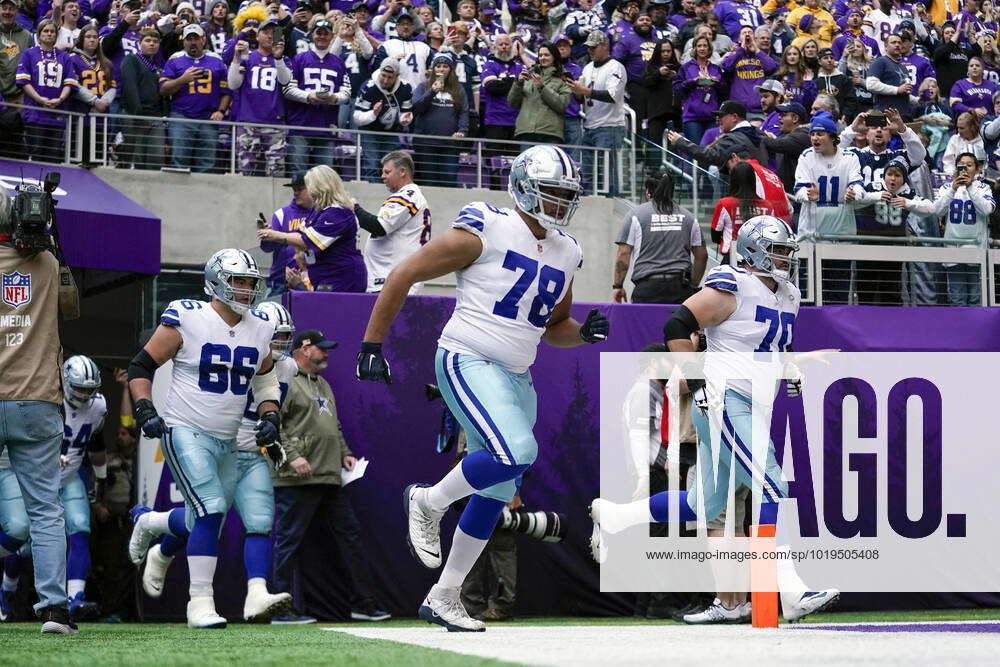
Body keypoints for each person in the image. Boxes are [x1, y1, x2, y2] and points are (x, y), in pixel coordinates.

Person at [357, 144, 609, 632]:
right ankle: (427, 500)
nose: (560, 203)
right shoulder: (487, 224)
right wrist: (371, 344)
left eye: (566, 194)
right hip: (468, 356)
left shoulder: (567, 249)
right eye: (551, 192)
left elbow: (555, 326)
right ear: (523, 187)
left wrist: (584, 332)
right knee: (517, 451)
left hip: (517, 375)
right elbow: (404, 271)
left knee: (496, 490)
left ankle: (445, 595)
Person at [591, 215, 839, 624]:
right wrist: (697, 380)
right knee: (772, 483)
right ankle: (791, 589)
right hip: (725, 399)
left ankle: (616, 517)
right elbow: (677, 323)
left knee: (701, 503)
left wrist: (793, 364)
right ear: (754, 250)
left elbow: (762, 351)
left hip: (754, 402)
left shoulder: (788, 294)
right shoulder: (732, 284)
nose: (784, 258)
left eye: (785, 250)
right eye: (777, 249)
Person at [125, 248, 283, 629]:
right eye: (238, 282)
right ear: (216, 282)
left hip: (227, 440)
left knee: (204, 517)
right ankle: (199, 603)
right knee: (211, 508)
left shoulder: (261, 325)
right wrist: (144, 408)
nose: (246, 290)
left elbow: (264, 377)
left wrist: (270, 414)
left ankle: (151, 525)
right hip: (185, 430)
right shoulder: (188, 316)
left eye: (250, 282)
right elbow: (141, 365)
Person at [272, 327, 391, 624]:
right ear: (304, 348)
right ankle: (280, 608)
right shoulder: (284, 380)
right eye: (322, 348)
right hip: (296, 477)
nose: (327, 353)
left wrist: (345, 453)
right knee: (289, 543)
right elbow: (274, 424)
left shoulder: (323, 384)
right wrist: (294, 456)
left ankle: (363, 604)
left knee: (350, 539)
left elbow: (333, 427)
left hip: (330, 476)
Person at [0, 190, 77, 634]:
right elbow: (71, 308)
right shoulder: (48, 264)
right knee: (46, 510)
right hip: (38, 401)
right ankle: (54, 610)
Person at [56, 355, 109, 622]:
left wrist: (100, 478)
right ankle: (7, 587)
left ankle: (74, 597)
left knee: (80, 529)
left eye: (90, 389)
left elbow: (97, 444)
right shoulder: (49, 400)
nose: (85, 394)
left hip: (72, 475)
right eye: (80, 388)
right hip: (39, 478)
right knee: (24, 540)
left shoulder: (97, 406)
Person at [257, 164, 366, 292]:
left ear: (321, 187)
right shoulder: (319, 211)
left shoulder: (338, 212)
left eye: (308, 187)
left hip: (342, 278)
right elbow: (300, 235)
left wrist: (276, 235)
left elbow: (307, 241)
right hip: (324, 277)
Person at [794, 113, 864, 303]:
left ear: (833, 136)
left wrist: (854, 194)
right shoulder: (806, 157)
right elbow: (799, 191)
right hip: (810, 238)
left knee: (838, 296)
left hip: (841, 237)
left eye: (820, 134)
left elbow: (858, 186)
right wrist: (808, 195)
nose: (815, 138)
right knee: (810, 295)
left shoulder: (850, 157)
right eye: (813, 134)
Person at [613, 172, 706, 304]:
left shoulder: (635, 215)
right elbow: (702, 256)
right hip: (680, 288)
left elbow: (623, 253)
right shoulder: (689, 217)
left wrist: (618, 286)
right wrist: (694, 285)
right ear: (671, 191)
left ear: (648, 192)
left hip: (647, 289)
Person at [853, 157, 936, 304]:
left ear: (904, 179)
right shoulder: (874, 187)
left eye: (897, 175)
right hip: (868, 247)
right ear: (884, 175)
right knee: (865, 290)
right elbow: (854, 201)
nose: (892, 179)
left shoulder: (908, 193)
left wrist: (908, 203)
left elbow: (930, 208)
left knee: (891, 291)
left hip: (894, 250)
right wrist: (874, 197)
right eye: (889, 174)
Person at [354, 150, 430, 294]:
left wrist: (354, 208)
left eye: (387, 172)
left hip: (391, 282)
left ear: (402, 172)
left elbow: (379, 227)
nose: (382, 176)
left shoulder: (407, 194)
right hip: (393, 281)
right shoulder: (412, 195)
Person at [283, 19, 351, 174]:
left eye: (325, 34)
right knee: (298, 173)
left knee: (325, 176)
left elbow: (347, 93)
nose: (322, 37)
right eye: (318, 33)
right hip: (300, 124)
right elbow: (287, 89)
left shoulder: (339, 62)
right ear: (312, 35)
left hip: (326, 126)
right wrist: (309, 96)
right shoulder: (299, 59)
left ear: (331, 36)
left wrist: (334, 98)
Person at [159, 24, 230, 173]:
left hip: (208, 118)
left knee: (207, 163)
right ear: (183, 41)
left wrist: (221, 111)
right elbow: (163, 90)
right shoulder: (174, 60)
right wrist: (183, 79)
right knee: (179, 160)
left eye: (196, 38)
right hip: (181, 116)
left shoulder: (216, 60)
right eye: (189, 39)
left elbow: (227, 90)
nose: (193, 42)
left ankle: (203, 195)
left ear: (203, 40)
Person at [228, 18, 291, 176]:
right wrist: (236, 56)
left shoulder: (285, 60)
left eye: (274, 33)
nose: (270, 36)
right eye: (266, 32)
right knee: (247, 170)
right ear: (257, 36)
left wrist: (278, 58)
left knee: (276, 173)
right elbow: (233, 84)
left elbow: (285, 81)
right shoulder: (247, 58)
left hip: (274, 123)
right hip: (248, 122)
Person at [932, 152, 996, 305]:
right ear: (956, 168)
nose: (966, 168)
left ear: (977, 168)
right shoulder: (947, 188)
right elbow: (937, 211)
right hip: (953, 249)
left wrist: (970, 188)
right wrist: (953, 189)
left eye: (969, 165)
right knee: (956, 298)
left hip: (977, 248)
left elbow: (987, 209)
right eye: (962, 165)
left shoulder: (983, 188)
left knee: (976, 298)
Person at [568, 31, 626, 196]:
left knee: (607, 168)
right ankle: (590, 199)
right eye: (588, 48)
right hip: (590, 124)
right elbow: (582, 99)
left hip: (610, 125)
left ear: (605, 46)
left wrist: (584, 90)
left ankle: (612, 200)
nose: (590, 51)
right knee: (587, 168)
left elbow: (611, 96)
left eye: (594, 47)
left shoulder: (616, 67)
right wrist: (576, 92)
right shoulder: (587, 67)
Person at [16, 19, 78, 163]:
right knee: (36, 154)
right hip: (35, 112)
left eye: (52, 31)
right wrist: (40, 99)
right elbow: (23, 81)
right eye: (45, 31)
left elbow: (69, 82)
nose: (49, 34)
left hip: (57, 114)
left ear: (56, 35)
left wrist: (60, 99)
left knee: (54, 157)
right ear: (38, 35)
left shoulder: (64, 57)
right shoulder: (28, 54)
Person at [411, 52, 470, 188]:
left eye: (445, 66)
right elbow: (416, 108)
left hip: (450, 144)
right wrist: (432, 91)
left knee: (449, 179)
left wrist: (462, 131)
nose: (441, 69)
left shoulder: (459, 89)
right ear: (433, 69)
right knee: (429, 180)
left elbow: (463, 112)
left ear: (451, 70)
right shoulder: (423, 86)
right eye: (438, 66)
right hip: (425, 143)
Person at [353, 58, 414, 183]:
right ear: (380, 72)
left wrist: (404, 120)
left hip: (390, 132)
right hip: (370, 131)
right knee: (372, 164)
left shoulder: (406, 88)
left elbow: (405, 113)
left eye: (390, 77)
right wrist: (373, 113)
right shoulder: (368, 87)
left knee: (392, 167)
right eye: (383, 75)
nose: (385, 80)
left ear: (397, 76)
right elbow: (357, 117)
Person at [665, 100, 769, 171]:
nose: (718, 119)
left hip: (746, 195)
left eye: (721, 116)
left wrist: (681, 142)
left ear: (734, 117)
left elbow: (710, 155)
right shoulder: (758, 132)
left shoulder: (736, 137)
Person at [480, 33, 524, 189]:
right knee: (494, 162)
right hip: (495, 121)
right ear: (495, 47)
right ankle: (494, 191)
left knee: (515, 163)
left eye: (507, 44)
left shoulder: (519, 66)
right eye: (501, 44)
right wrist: (514, 82)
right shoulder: (489, 65)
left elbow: (525, 89)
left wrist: (502, 81)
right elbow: (492, 88)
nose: (504, 47)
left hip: (516, 122)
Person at [119, 26, 167, 170]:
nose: (152, 43)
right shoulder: (131, 59)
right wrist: (137, 114)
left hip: (155, 117)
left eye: (155, 41)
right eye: (148, 40)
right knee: (137, 157)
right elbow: (130, 87)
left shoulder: (157, 67)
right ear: (140, 43)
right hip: (135, 116)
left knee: (157, 158)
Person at [259, 172, 312, 298]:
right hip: (280, 283)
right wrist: (268, 236)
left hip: (309, 281)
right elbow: (266, 248)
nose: (296, 193)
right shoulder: (281, 214)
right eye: (294, 189)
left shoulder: (320, 214)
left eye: (300, 189)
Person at [507, 42, 570, 145]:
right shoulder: (529, 76)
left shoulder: (563, 79)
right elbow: (512, 103)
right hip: (526, 131)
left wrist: (542, 87)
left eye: (546, 55)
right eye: (540, 55)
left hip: (550, 134)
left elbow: (562, 105)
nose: (542, 58)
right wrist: (518, 83)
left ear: (554, 57)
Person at [673, 34, 723, 144]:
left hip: (712, 117)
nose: (702, 48)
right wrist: (693, 81)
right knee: (694, 152)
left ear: (709, 49)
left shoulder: (715, 69)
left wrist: (716, 83)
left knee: (711, 152)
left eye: (705, 46)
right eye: (699, 46)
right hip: (692, 117)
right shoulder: (685, 68)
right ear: (694, 48)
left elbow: (723, 90)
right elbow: (676, 88)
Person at [642, 37, 681, 174]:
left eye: (668, 51)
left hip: (675, 113)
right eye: (663, 51)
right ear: (658, 52)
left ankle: (675, 175)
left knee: (676, 146)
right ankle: (655, 175)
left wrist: (676, 77)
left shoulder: (679, 68)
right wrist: (658, 73)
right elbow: (646, 83)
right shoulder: (651, 67)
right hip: (656, 113)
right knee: (655, 148)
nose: (666, 54)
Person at [722, 27, 779, 117]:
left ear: (755, 39)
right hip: (737, 111)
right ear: (739, 39)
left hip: (757, 109)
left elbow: (772, 68)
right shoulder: (734, 55)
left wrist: (756, 50)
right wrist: (740, 49)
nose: (747, 35)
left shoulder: (760, 55)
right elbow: (726, 67)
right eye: (744, 33)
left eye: (750, 33)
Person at [371, 11, 431, 92]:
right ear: (396, 27)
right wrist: (391, 61)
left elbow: (432, 69)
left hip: (419, 93)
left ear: (413, 27)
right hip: (395, 93)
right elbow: (376, 72)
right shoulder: (387, 45)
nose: (406, 27)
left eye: (408, 24)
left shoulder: (424, 47)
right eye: (402, 24)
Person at [762, 101, 810, 192]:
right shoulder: (786, 135)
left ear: (795, 118)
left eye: (783, 115)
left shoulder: (802, 135)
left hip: (798, 196)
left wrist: (755, 133)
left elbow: (776, 144)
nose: (779, 117)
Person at [866, 32, 913, 119]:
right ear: (886, 46)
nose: (897, 45)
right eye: (893, 42)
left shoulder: (903, 67)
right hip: (885, 115)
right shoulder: (880, 61)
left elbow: (904, 93)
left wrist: (918, 100)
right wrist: (897, 89)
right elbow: (871, 85)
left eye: (899, 43)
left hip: (904, 116)